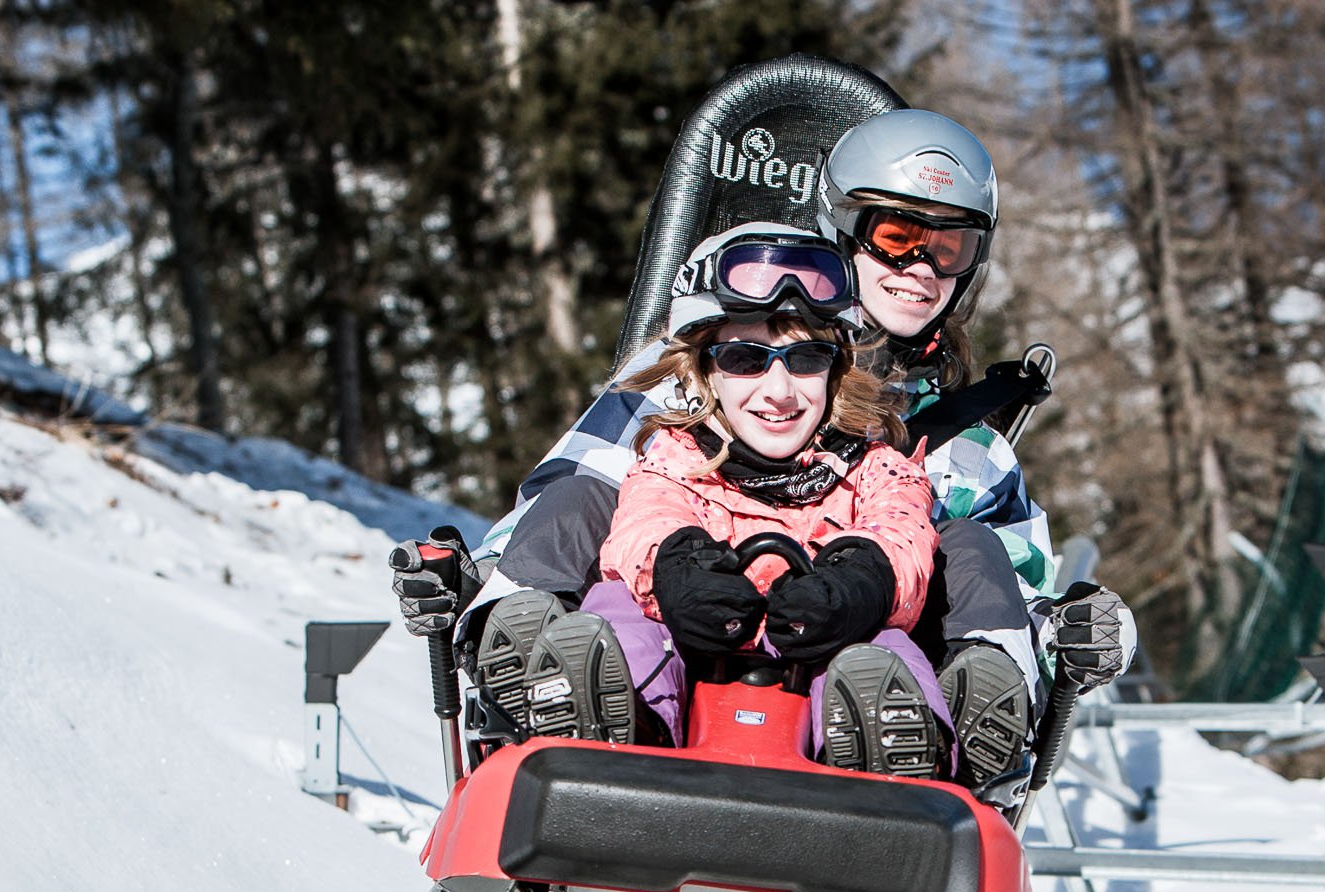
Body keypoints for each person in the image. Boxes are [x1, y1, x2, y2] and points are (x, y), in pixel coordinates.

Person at [396, 110, 1134, 788]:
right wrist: (482, 576)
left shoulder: (966, 448)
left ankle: (932, 721)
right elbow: (571, 496)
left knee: (964, 542)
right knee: (596, 495)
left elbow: (1015, 577)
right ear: (843, 227)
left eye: (948, 247)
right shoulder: (697, 380)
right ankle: (533, 657)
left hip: (850, 652)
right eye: (896, 237)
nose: (919, 269)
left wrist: (1066, 632)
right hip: (681, 641)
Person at [494, 251, 952, 778]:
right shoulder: (676, 457)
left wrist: (863, 581)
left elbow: (903, 528)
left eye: (806, 360)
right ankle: (614, 717)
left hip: (820, 660)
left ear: (836, 372)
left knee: (883, 646)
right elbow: (648, 519)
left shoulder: (877, 468)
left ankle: (892, 744)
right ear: (706, 372)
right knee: (617, 603)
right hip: (692, 672)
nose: (779, 391)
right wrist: (676, 567)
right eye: (745, 360)